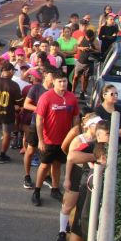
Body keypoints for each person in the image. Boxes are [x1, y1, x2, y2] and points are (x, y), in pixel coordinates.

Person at [32, 70, 80, 206]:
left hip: (65, 140)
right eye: (60, 81)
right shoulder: (46, 97)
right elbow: (39, 120)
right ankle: (37, 190)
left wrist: (75, 136)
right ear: (53, 82)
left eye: (65, 81)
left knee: (58, 165)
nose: (63, 84)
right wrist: (41, 140)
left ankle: (55, 188)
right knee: (44, 165)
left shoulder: (71, 97)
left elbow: (76, 116)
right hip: (48, 140)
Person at [57, 114, 102, 241]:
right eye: (97, 125)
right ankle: (62, 231)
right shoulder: (79, 140)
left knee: (83, 207)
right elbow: (69, 158)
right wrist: (67, 179)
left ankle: (79, 232)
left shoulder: (99, 140)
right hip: (76, 173)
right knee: (69, 205)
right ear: (90, 126)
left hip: (87, 175)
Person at [0, 62, 24, 163]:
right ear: (10, 71)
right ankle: (2, 156)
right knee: (7, 134)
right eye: (13, 71)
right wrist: (16, 106)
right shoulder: (14, 85)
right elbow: (19, 102)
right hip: (8, 113)